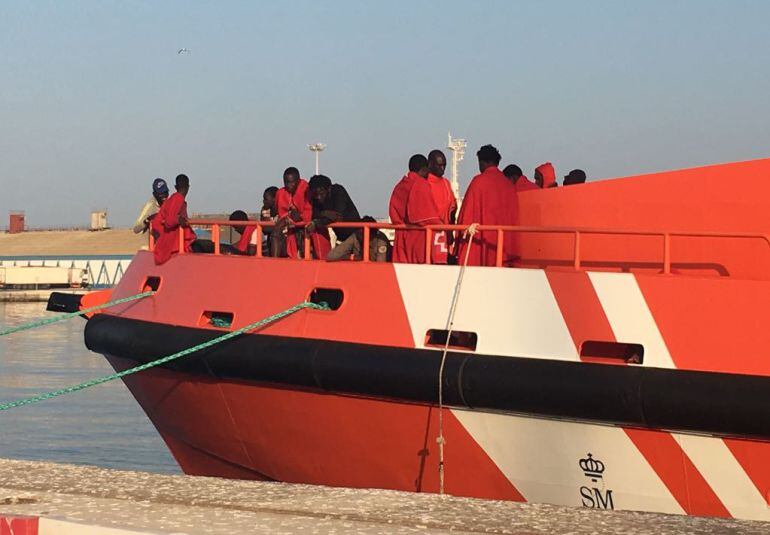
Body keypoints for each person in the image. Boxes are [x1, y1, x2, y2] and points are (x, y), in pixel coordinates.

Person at [454, 145, 519, 266]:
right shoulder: (509, 185)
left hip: (482, 249)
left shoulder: (478, 182)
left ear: (483, 162)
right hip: (504, 250)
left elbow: (466, 215)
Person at [389, 154, 443, 264]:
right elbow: (428, 217)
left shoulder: (399, 185)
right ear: (424, 169)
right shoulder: (421, 184)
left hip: (401, 237)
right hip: (418, 237)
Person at [275, 167, 330, 259]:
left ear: (298, 181)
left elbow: (309, 213)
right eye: (286, 182)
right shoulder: (281, 193)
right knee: (275, 233)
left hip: (312, 228)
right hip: (292, 231)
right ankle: (274, 261)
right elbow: (282, 213)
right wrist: (289, 217)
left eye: (292, 182)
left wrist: (299, 217)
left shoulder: (306, 190)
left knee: (319, 254)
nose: (289, 185)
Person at [153, 174, 197, 265]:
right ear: (188, 187)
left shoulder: (174, 199)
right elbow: (169, 221)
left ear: (175, 187)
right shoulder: (177, 198)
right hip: (173, 243)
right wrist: (178, 219)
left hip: (170, 241)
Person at [307, 174, 360, 246]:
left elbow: (337, 215)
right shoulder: (315, 197)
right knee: (332, 256)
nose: (319, 197)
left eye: (321, 193)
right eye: (316, 194)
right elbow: (314, 215)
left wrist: (319, 219)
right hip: (341, 238)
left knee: (332, 257)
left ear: (328, 189)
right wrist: (325, 214)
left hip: (356, 235)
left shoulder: (338, 191)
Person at [427, 150, 457, 263]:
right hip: (429, 237)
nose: (442, 168)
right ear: (430, 164)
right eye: (439, 165)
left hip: (444, 237)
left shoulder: (446, 183)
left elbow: (453, 208)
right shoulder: (424, 183)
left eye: (444, 165)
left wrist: (451, 231)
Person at [327, 216, 391, 262]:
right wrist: (351, 257)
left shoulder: (381, 240)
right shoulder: (356, 236)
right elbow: (331, 256)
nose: (360, 235)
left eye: (363, 232)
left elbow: (380, 264)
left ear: (372, 233)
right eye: (359, 231)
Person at [260, 186, 279, 256]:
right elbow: (264, 228)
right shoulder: (265, 209)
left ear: (274, 199)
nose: (263, 201)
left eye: (265, 199)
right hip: (270, 240)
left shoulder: (283, 209)